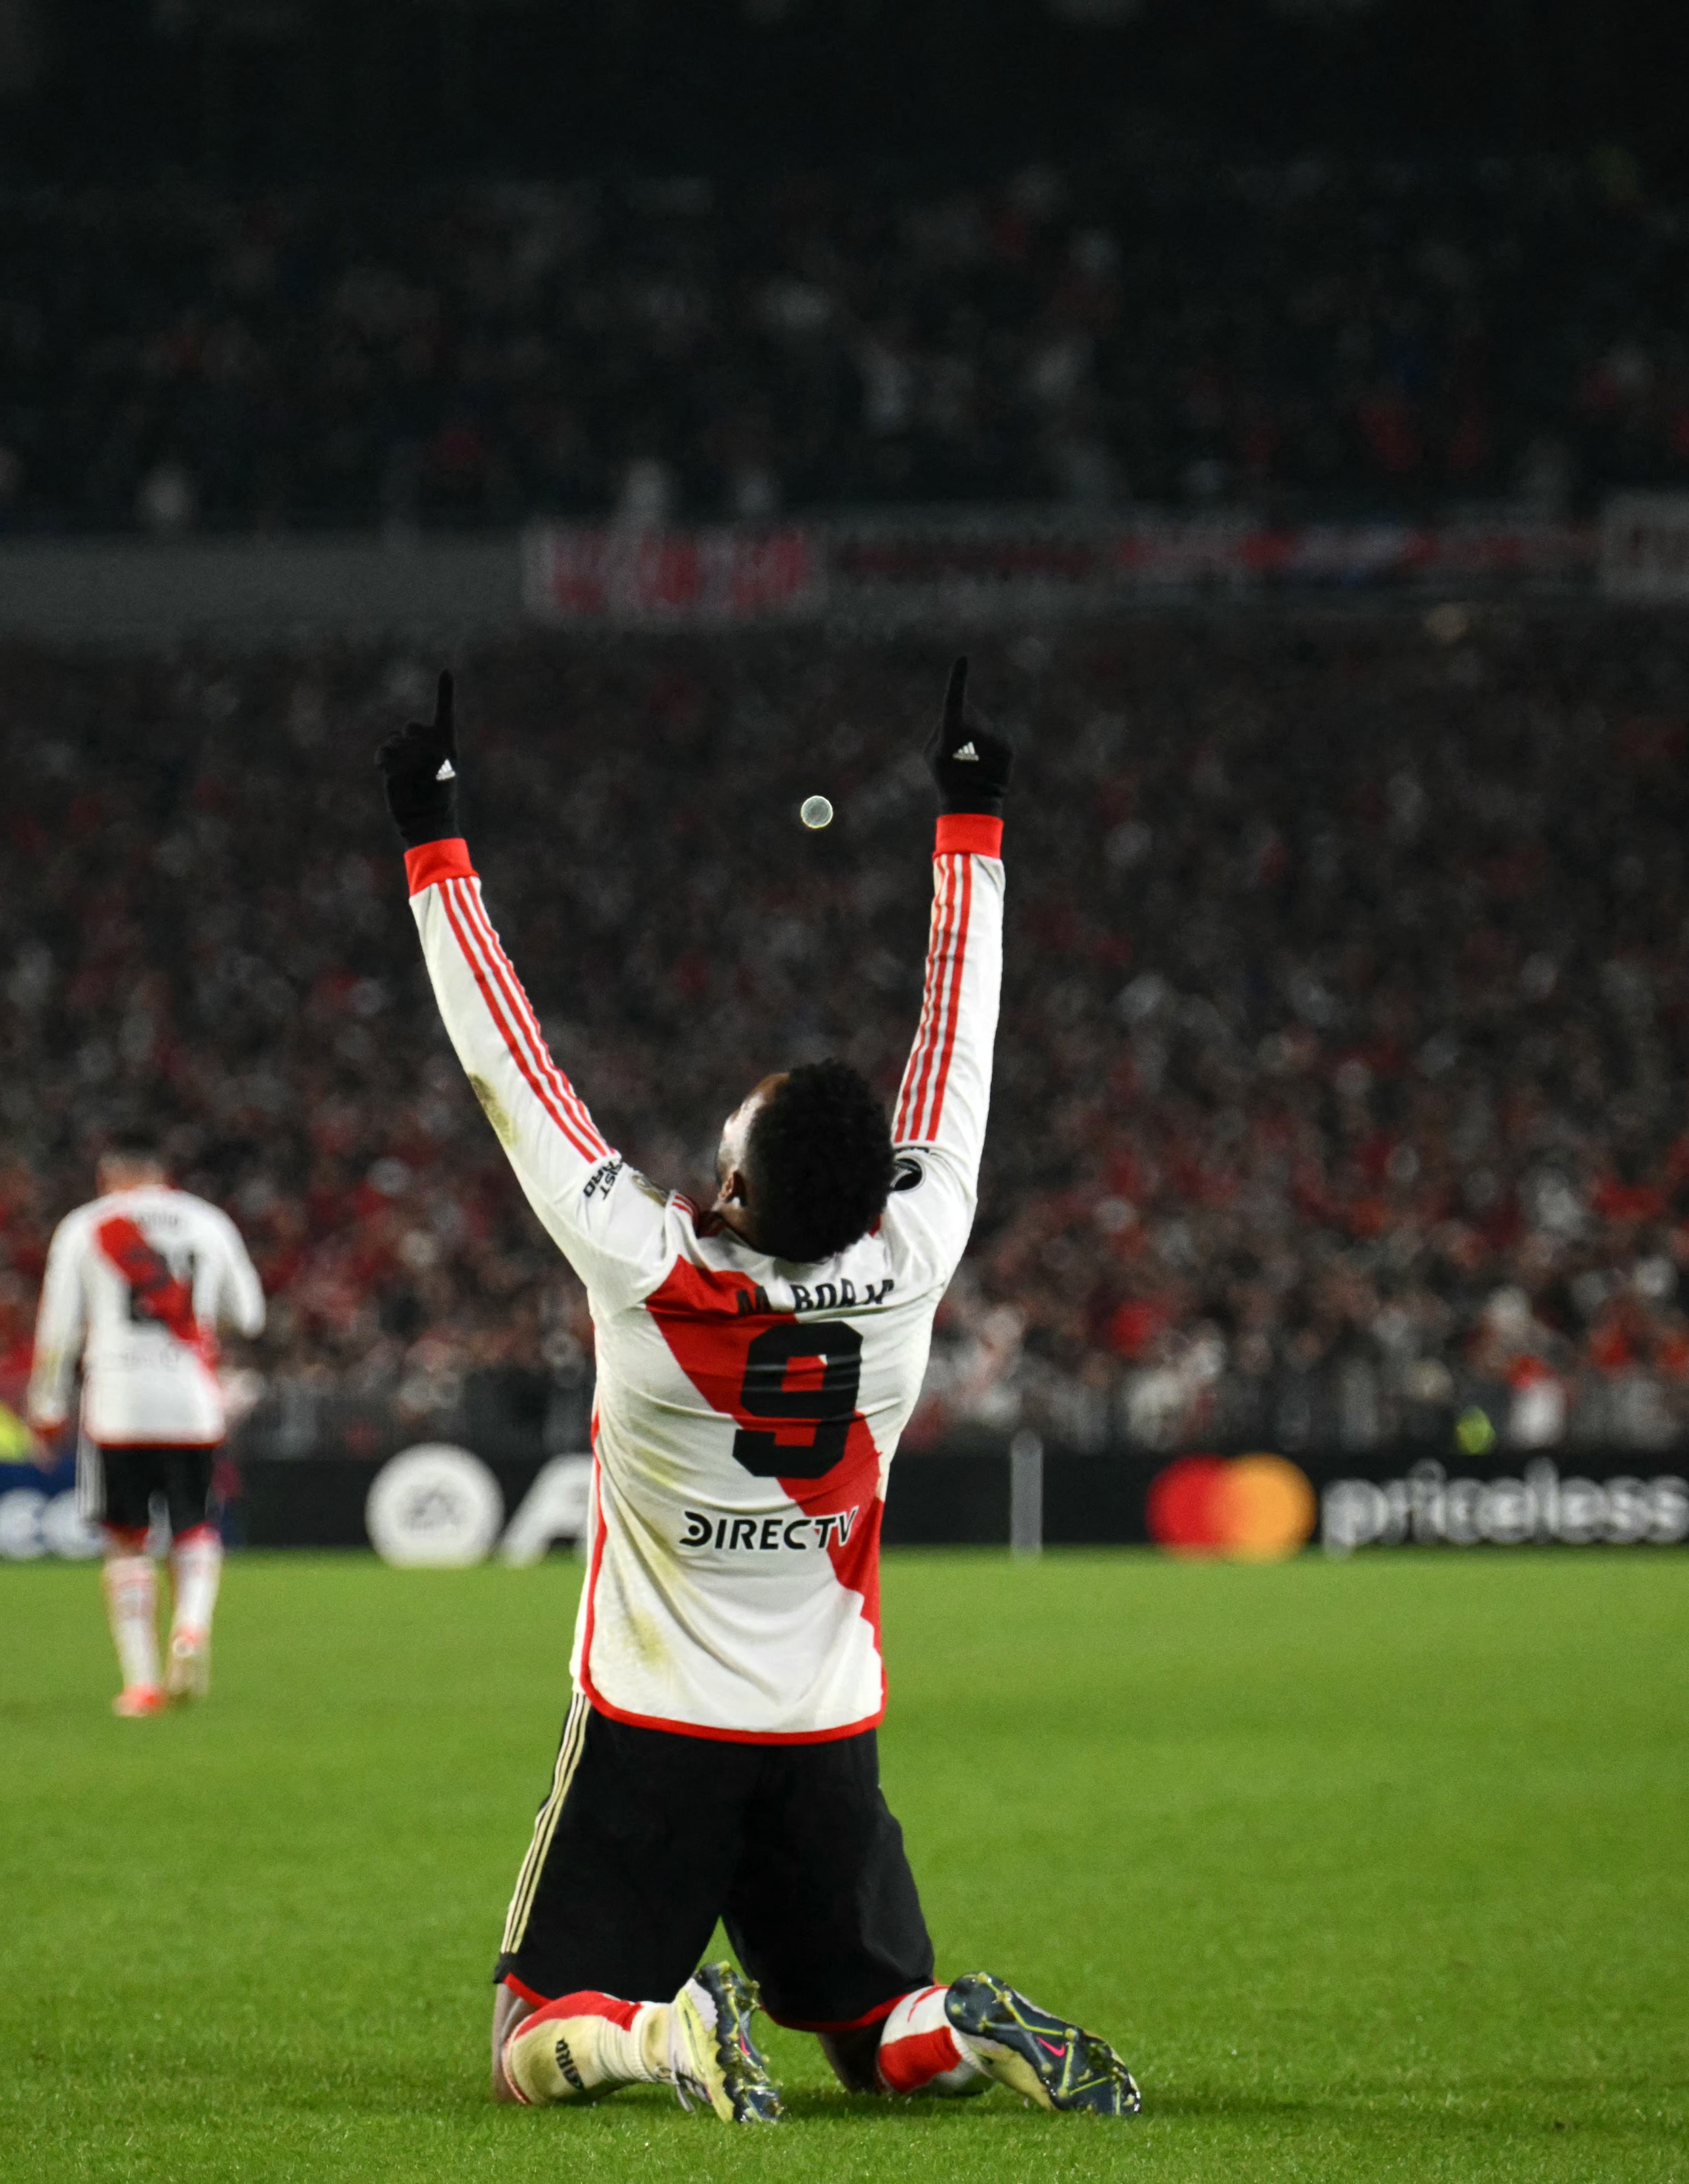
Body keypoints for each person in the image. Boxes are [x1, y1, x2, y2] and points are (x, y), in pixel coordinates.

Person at [377, 664, 1139, 2125]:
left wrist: (433, 835)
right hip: (824, 1727)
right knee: (873, 2031)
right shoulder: (916, 1249)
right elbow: (957, 1045)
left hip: (655, 1724)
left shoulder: (645, 1266)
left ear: (730, 1189)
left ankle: (660, 2036)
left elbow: (506, 1059)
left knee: (531, 2038)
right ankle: (954, 2025)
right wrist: (972, 818)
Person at [27, 1146, 267, 1717]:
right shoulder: (208, 1221)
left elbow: (57, 1329)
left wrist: (46, 1407)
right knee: (195, 1526)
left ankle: (142, 1685)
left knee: (126, 1541)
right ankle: (191, 1627)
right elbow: (250, 1314)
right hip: (191, 1400)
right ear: (162, 1173)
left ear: (108, 1174)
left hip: (118, 1402)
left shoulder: (86, 1226)